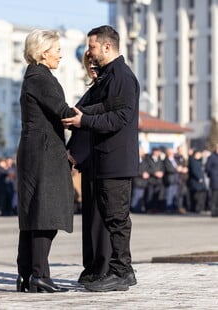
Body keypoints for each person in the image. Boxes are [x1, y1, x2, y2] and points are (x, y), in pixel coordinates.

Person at [62, 25, 139, 292]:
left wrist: (83, 120)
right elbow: (102, 107)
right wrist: (76, 116)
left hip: (116, 162)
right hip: (105, 160)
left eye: (92, 47)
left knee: (117, 219)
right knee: (109, 217)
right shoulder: (109, 76)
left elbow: (120, 117)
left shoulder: (122, 77)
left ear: (107, 47)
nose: (89, 52)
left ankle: (121, 272)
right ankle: (113, 269)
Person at [16, 29, 78, 293]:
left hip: (35, 150)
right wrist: (90, 117)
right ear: (44, 53)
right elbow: (62, 111)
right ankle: (40, 275)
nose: (61, 55)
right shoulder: (42, 78)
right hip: (44, 152)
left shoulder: (32, 77)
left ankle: (26, 275)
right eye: (57, 50)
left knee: (33, 214)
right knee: (45, 214)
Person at [67, 54, 111, 285]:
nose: (92, 68)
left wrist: (73, 154)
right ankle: (92, 266)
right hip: (88, 162)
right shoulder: (93, 89)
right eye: (89, 65)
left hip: (98, 157)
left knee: (100, 217)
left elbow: (90, 124)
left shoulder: (105, 89)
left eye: (96, 65)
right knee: (90, 217)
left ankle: (101, 267)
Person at [205, 144, 218, 217]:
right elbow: (207, 168)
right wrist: (212, 175)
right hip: (215, 181)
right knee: (214, 197)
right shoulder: (212, 157)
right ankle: (213, 212)